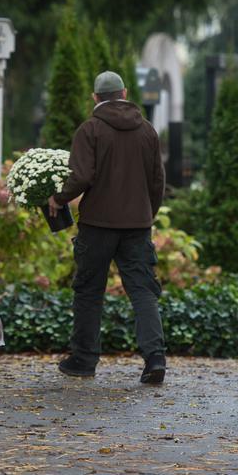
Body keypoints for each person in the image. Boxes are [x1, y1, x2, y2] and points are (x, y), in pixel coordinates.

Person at [48, 71, 167, 384]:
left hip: (97, 225)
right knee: (143, 291)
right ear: (124, 93)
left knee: (89, 291)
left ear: (95, 97)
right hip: (137, 226)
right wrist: (146, 214)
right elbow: (157, 181)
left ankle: (83, 360)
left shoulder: (90, 130)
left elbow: (82, 176)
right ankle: (155, 358)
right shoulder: (147, 131)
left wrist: (58, 198)